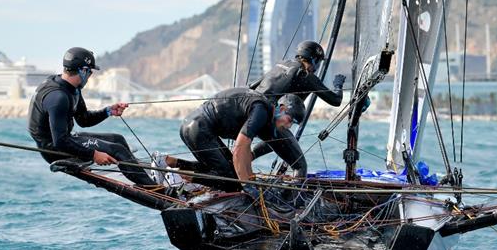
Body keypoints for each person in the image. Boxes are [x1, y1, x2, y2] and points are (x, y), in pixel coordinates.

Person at [27, 47, 155, 186]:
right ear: (83, 71)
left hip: (65, 139)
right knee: (118, 150)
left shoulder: (72, 88)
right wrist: (93, 155)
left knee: (118, 139)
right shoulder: (58, 97)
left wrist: (108, 111)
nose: (90, 76)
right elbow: (60, 142)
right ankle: (154, 188)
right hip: (55, 150)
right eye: (90, 72)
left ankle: (143, 175)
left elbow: (84, 119)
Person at [170, 88, 307, 192]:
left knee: (231, 172)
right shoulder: (261, 111)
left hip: (195, 126)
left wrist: (250, 178)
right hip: (198, 129)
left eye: (292, 124)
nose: (288, 126)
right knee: (232, 183)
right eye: (289, 120)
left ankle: (173, 163)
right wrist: (247, 186)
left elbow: (245, 151)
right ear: (281, 108)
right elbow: (239, 149)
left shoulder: (265, 112)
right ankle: (184, 176)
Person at [250, 40, 346, 161]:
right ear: (313, 60)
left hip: (252, 108)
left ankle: (247, 158)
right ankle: (249, 158)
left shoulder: (281, 64)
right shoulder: (306, 76)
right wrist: (338, 85)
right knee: (296, 158)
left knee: (277, 138)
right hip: (265, 116)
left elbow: (252, 86)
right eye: (318, 62)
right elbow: (336, 100)